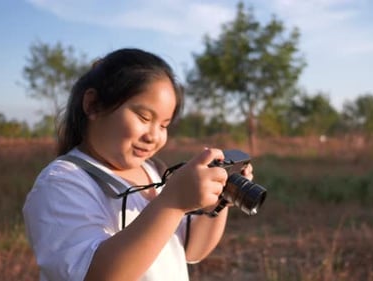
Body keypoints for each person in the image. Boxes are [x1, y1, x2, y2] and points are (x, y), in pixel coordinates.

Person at [22, 48, 254, 281]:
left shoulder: (153, 171)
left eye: (164, 125)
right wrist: (172, 203)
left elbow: (191, 249)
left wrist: (220, 200)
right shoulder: (62, 183)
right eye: (144, 118)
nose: (154, 135)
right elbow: (92, 274)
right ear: (93, 105)